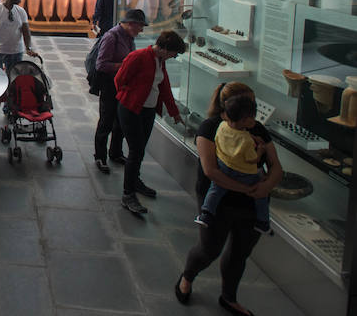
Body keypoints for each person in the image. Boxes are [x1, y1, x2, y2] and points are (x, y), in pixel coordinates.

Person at [176, 82, 283, 316]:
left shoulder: (256, 129)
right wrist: (247, 188)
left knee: (239, 254)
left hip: (251, 202)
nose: (253, 112)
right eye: (250, 106)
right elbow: (210, 171)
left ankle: (229, 298)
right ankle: (187, 277)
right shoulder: (210, 127)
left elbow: (276, 166)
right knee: (209, 250)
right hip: (219, 201)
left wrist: (267, 186)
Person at [114, 30, 187, 215]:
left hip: (147, 111)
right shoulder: (138, 56)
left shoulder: (160, 61)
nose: (174, 57)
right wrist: (131, 95)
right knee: (136, 151)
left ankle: (135, 181)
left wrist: (174, 113)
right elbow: (120, 79)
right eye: (174, 53)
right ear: (164, 49)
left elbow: (164, 87)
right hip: (131, 109)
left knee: (140, 150)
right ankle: (128, 194)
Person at [195, 93, 271, 233]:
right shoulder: (247, 141)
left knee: (215, 189)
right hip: (244, 173)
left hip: (224, 166)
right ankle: (263, 221)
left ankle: (206, 213)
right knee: (261, 194)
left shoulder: (223, 126)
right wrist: (260, 150)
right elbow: (252, 159)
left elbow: (236, 135)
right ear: (245, 120)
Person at [92, 8, 146, 174]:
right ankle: (100, 156)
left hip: (123, 86)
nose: (141, 30)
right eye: (140, 26)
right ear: (131, 24)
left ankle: (115, 153)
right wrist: (125, 65)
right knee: (106, 121)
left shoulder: (129, 37)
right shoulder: (112, 36)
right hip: (109, 85)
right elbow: (101, 64)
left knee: (121, 122)